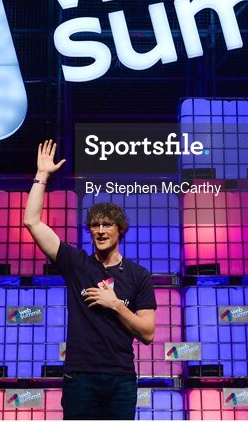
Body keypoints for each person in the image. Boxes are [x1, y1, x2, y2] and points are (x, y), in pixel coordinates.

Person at [23, 140, 157, 421]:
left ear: (120, 230)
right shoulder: (77, 264)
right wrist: (42, 176)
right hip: (80, 378)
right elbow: (32, 222)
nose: (100, 230)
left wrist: (116, 305)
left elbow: (147, 333)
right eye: (95, 225)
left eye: (107, 224)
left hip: (120, 379)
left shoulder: (138, 276)